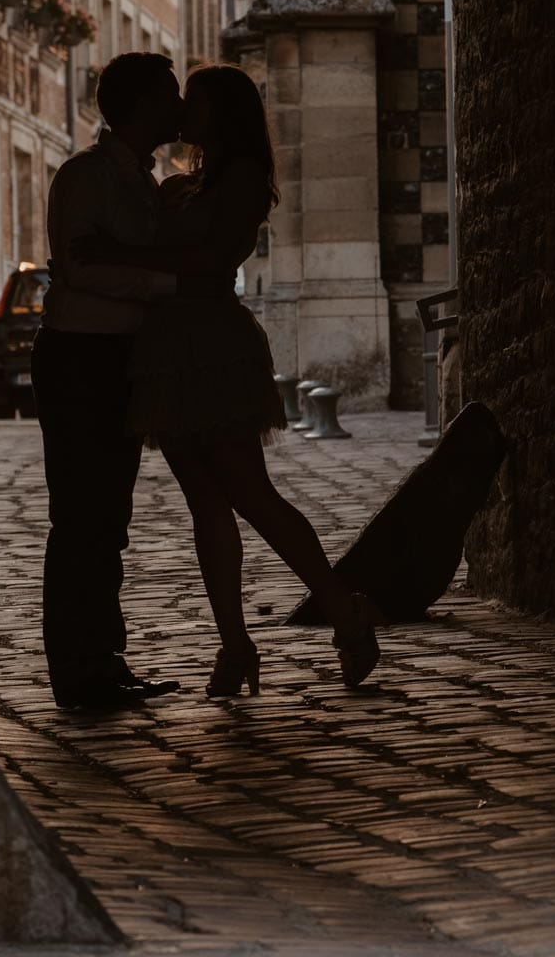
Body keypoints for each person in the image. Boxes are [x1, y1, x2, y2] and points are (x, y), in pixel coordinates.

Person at [73, 63, 383, 696]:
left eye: (197, 100)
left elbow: (212, 259)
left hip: (211, 343)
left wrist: (126, 254)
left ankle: (343, 609)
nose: (184, 108)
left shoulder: (241, 179)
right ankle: (235, 644)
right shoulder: (187, 180)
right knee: (205, 504)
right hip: (168, 348)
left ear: (223, 113)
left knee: (249, 490)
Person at [34, 52, 196, 709]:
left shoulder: (144, 181)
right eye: (169, 96)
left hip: (116, 358)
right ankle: (78, 669)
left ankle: (104, 657)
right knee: (81, 515)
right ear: (140, 107)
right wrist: (168, 284)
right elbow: (81, 268)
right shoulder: (86, 177)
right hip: (80, 357)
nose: (179, 107)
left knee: (110, 516)